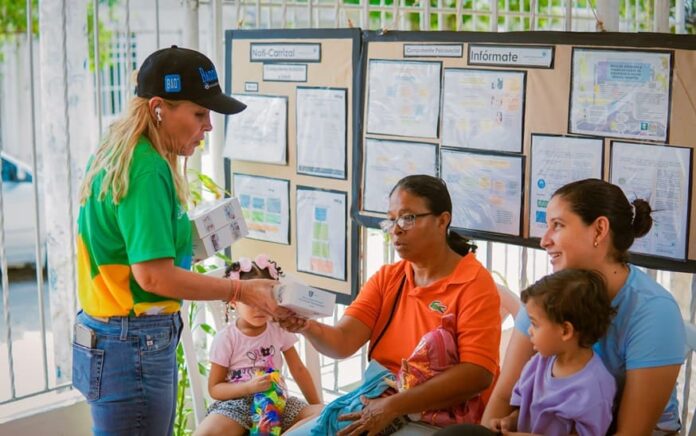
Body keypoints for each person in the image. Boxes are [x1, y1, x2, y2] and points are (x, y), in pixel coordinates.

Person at [72, 46, 279, 435]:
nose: (209, 127)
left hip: (113, 336)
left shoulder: (120, 151)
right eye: (199, 114)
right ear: (158, 109)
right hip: (131, 343)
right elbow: (153, 277)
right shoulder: (147, 169)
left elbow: (131, 251)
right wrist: (241, 291)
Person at [281, 174, 502, 435]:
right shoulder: (389, 278)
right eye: (392, 219)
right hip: (379, 401)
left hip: (435, 418)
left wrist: (394, 406)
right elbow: (343, 341)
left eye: (408, 218)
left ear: (442, 221)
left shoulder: (474, 284)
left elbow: (477, 374)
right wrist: (307, 326)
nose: (396, 229)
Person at [481, 178, 686, 435]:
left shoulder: (655, 313)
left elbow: (630, 433)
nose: (544, 240)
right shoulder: (548, 297)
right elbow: (503, 397)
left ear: (599, 230)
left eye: (558, 225)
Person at [438, 269, 616, 436]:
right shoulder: (539, 363)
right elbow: (524, 410)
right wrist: (508, 421)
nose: (529, 330)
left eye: (535, 324)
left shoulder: (595, 386)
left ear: (565, 331)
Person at [194, 255, 322, 436]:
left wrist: (318, 407)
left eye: (265, 301)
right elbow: (215, 389)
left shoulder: (279, 329)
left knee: (324, 415)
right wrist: (248, 387)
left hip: (277, 403)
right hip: (236, 404)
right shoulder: (227, 338)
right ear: (233, 302)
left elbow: (299, 370)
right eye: (251, 302)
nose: (259, 308)